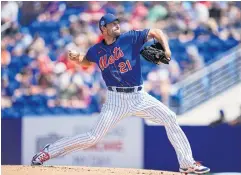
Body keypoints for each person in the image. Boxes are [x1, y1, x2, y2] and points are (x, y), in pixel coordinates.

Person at [31, 13, 210, 174]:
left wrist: (167, 49)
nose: (117, 25)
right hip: (115, 100)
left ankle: (186, 163)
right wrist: (77, 58)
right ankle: (49, 151)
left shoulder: (130, 37)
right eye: (112, 24)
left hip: (140, 97)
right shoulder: (96, 50)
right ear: (103, 28)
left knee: (170, 117)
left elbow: (156, 32)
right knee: (93, 137)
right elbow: (87, 61)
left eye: (117, 23)